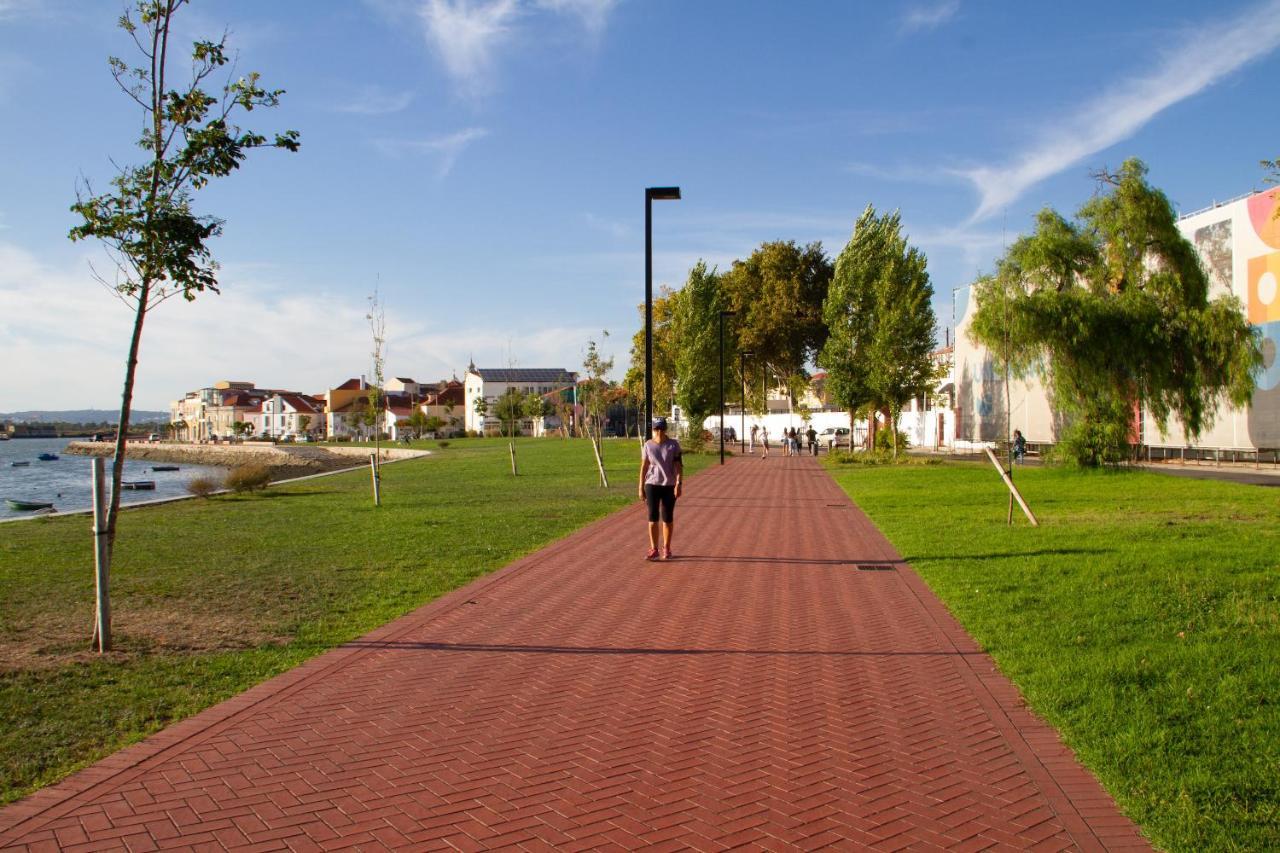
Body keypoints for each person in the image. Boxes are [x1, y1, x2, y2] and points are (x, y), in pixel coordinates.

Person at [639, 417, 683, 561]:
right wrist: (640, 486)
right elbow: (644, 466)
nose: (659, 432)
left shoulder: (673, 445)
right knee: (652, 517)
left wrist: (678, 483)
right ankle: (654, 548)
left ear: (665, 430)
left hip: (669, 485)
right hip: (651, 484)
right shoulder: (648, 445)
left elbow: (678, 466)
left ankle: (667, 548)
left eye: (661, 429)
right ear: (653, 430)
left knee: (667, 517)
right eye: (656, 429)